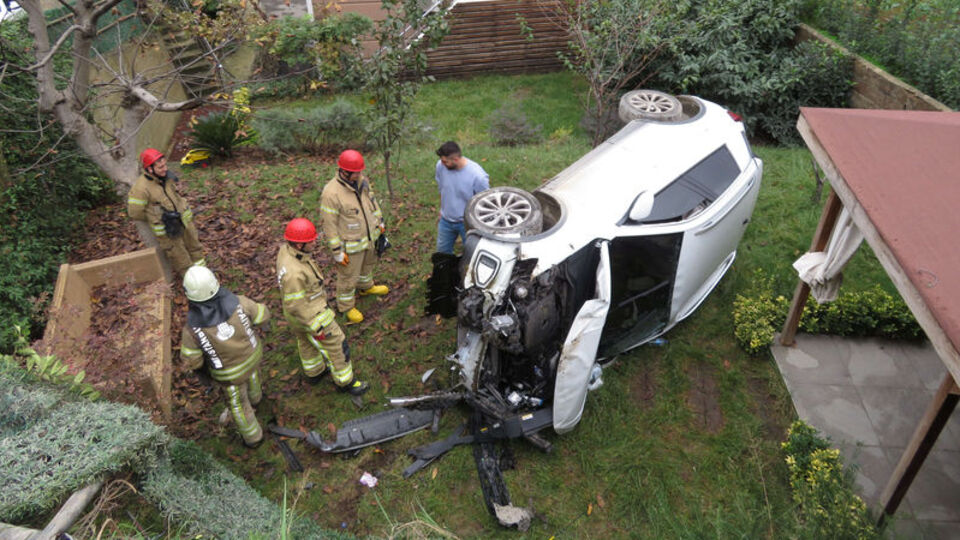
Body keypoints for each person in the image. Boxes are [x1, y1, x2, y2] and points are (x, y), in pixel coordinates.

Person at [276, 217, 369, 396]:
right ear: (298, 245)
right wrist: (315, 325)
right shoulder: (295, 274)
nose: (314, 242)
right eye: (310, 241)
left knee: (305, 342)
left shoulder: (286, 252)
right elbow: (296, 304)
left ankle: (314, 372)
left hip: (295, 316)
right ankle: (345, 382)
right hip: (311, 314)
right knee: (336, 343)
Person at [179, 266, 270, 448]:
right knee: (251, 375)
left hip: (229, 375)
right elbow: (262, 315)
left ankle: (254, 438)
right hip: (253, 356)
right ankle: (257, 398)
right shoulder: (239, 302)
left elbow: (193, 361)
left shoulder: (192, 330)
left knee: (238, 405)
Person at [319, 150, 388, 324]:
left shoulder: (362, 181)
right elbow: (329, 225)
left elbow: (372, 202)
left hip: (370, 237)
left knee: (367, 266)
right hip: (351, 244)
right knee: (348, 276)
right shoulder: (331, 193)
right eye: (356, 171)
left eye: (360, 171)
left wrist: (379, 220)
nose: (360, 174)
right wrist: (337, 251)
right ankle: (346, 306)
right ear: (344, 171)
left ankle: (366, 287)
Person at [127, 148, 206, 275]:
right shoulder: (141, 189)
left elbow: (175, 195)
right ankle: (193, 281)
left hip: (183, 221)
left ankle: (203, 273)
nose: (165, 169)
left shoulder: (166, 177)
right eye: (160, 167)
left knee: (194, 246)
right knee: (180, 257)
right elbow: (135, 213)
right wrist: (155, 217)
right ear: (149, 169)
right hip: (167, 229)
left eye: (165, 165)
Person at [435, 141, 489, 254]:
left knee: (471, 255)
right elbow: (442, 189)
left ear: (455, 159)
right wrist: (442, 210)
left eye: (445, 161)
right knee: (442, 253)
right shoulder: (440, 166)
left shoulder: (478, 176)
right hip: (446, 220)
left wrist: (478, 226)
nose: (442, 164)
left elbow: (485, 204)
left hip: (467, 223)